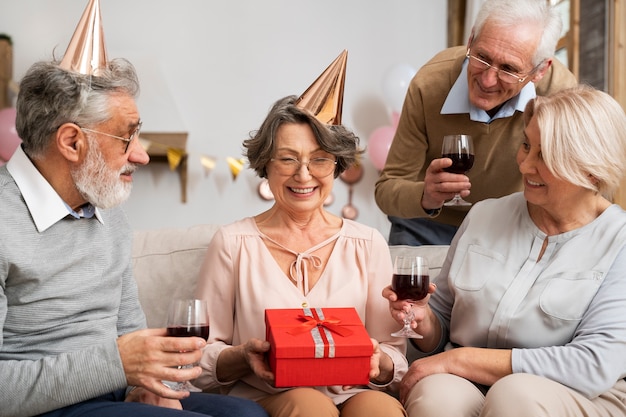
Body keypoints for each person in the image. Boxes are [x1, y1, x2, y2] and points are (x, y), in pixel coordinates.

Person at [0, 2, 268, 417]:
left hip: (112, 395)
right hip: (41, 408)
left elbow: (130, 333)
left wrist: (151, 383)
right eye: (127, 138)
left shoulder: (107, 211)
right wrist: (119, 364)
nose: (141, 156)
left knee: (249, 415)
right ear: (72, 142)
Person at [384, 84, 626, 416]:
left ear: (590, 169)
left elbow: (593, 365)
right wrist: (423, 320)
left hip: (576, 396)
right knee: (436, 395)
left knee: (515, 396)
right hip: (472, 384)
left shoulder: (620, 241)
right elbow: (440, 324)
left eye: (545, 155)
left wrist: (461, 358)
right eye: (526, 145)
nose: (525, 165)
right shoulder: (485, 214)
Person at [193, 95, 408, 417]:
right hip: (267, 395)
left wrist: (381, 362)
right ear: (266, 163)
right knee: (310, 408)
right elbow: (200, 353)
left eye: (319, 159)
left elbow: (393, 352)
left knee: (382, 412)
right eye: (288, 159)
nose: (304, 175)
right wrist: (241, 356)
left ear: (337, 164)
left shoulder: (367, 243)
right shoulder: (233, 243)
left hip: (353, 392)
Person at [374, 0, 578, 246]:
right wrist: (426, 196)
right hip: (426, 225)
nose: (488, 80)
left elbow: (574, 185)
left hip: (509, 227)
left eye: (509, 69)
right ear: (470, 40)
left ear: (540, 71)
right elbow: (386, 190)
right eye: (482, 57)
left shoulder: (560, 95)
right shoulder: (429, 85)